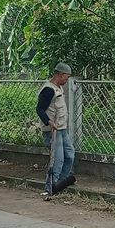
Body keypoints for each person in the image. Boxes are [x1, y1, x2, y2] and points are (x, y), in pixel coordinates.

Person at [36, 63, 75, 194]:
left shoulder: (58, 88)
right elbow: (39, 109)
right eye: (66, 77)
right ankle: (50, 188)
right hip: (52, 131)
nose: (67, 80)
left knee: (69, 155)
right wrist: (49, 122)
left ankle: (61, 184)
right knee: (57, 160)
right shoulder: (48, 89)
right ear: (60, 74)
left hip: (62, 129)